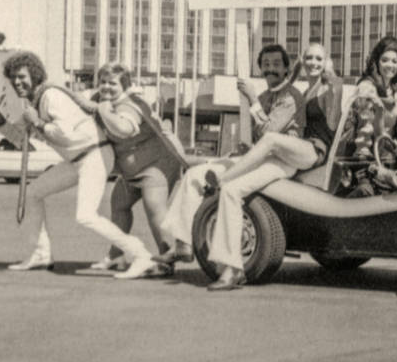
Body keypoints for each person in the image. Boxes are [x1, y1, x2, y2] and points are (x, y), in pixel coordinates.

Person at [0, 51, 157, 279]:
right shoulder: (34, 103)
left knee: (85, 216)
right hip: (77, 159)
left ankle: (141, 255)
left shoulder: (51, 96)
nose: (17, 82)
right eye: (13, 78)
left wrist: (38, 123)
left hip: (94, 155)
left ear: (34, 75)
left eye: (22, 76)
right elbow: (17, 138)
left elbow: (66, 134)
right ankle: (41, 254)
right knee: (33, 193)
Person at [153, 44, 302, 289]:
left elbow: (270, 133)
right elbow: (256, 140)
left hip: (281, 161)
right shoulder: (266, 96)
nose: (271, 69)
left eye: (277, 64)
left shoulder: (291, 97)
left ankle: (232, 268)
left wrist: (252, 100)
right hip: (258, 158)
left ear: (286, 68)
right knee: (193, 175)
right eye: (266, 64)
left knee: (231, 190)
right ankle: (183, 244)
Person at [204, 43, 344, 291]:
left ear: (326, 62)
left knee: (269, 140)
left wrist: (330, 72)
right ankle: (232, 269)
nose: (313, 62)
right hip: (288, 161)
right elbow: (289, 79)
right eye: (309, 58)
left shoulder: (328, 87)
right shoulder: (305, 88)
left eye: (319, 59)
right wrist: (298, 67)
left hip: (313, 151)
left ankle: (225, 176)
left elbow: (334, 94)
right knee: (232, 192)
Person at [82, 63, 187, 274]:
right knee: (119, 204)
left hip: (156, 164)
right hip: (131, 170)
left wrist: (104, 112)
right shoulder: (100, 101)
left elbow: (124, 128)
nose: (106, 87)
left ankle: (166, 261)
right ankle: (116, 256)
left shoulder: (130, 104)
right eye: (102, 82)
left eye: (112, 83)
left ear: (124, 85)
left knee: (154, 206)